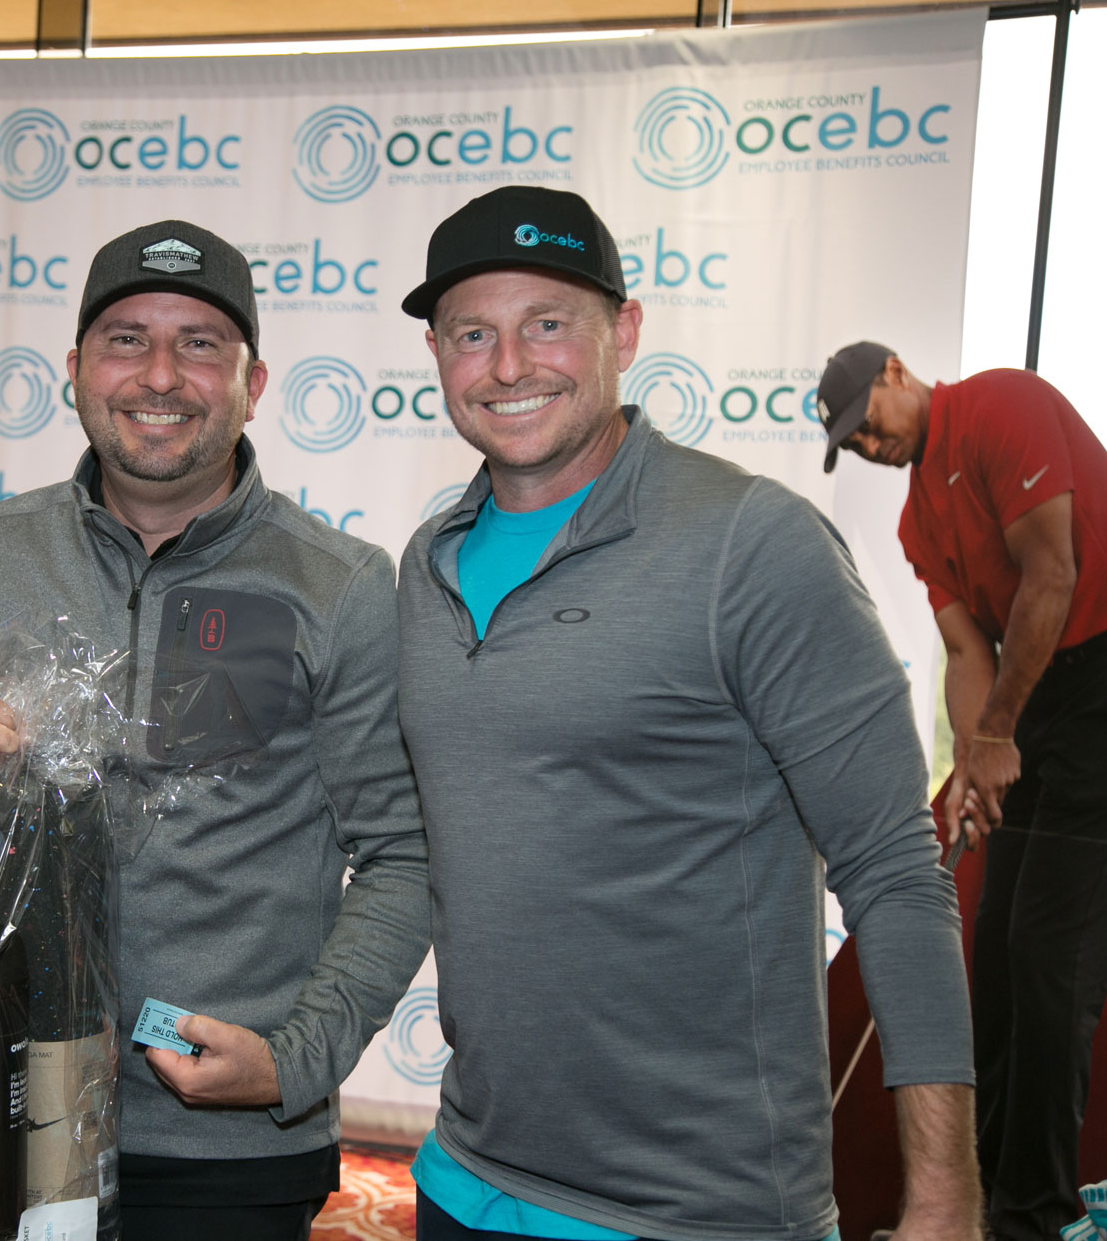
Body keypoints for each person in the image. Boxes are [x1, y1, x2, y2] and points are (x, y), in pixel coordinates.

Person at [396, 186, 980, 1241]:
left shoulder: (752, 545)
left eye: (548, 323)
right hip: (462, 1177)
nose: (509, 364)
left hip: (697, 1213)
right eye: (472, 333)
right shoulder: (425, 564)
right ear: (437, 353)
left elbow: (895, 871)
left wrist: (943, 1198)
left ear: (623, 332)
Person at [0, 219, 430, 1241]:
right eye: (127, 339)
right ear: (75, 370)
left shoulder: (340, 583)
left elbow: (402, 853)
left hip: (224, 1141)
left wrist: (295, 1060)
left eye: (200, 345)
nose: (161, 376)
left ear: (252, 384)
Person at [822, 341, 1107, 1241]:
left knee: (1050, 958)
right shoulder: (919, 520)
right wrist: (971, 770)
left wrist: (994, 737)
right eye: (853, 442)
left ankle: (1035, 1216)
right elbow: (965, 651)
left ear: (896, 373)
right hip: (1041, 690)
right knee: (996, 948)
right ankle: (977, 1208)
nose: (870, 444)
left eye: (869, 422)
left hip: (1101, 675)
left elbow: (1052, 574)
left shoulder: (999, 406)